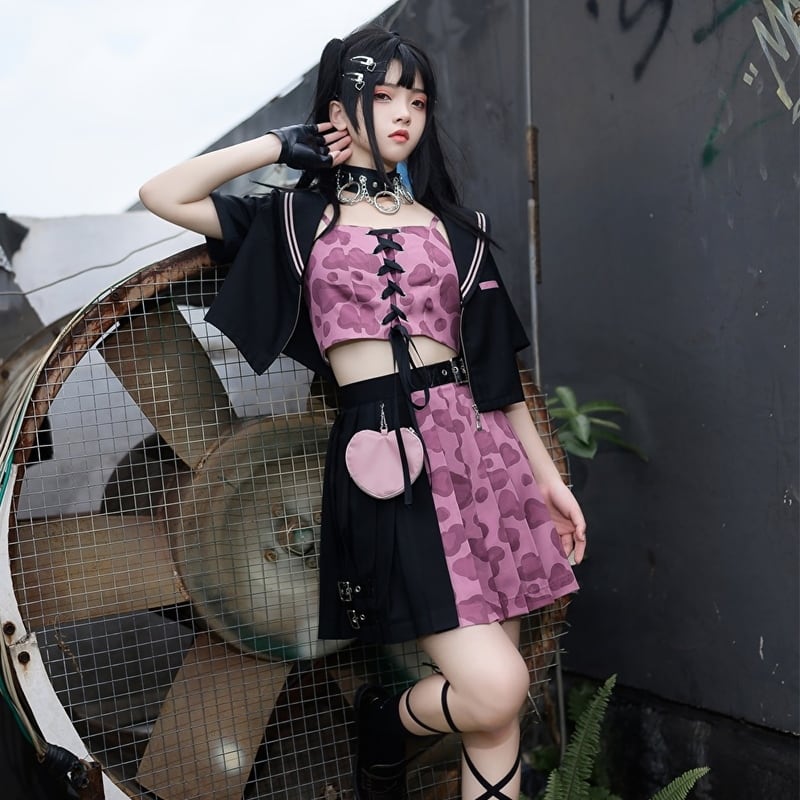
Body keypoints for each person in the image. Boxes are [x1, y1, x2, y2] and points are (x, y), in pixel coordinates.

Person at [139, 25, 586, 800]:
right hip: (384, 460)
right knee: (496, 689)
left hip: (483, 454)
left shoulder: (455, 228)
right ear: (341, 109)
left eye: (418, 98)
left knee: (494, 716)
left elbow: (496, 375)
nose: (405, 112)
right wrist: (280, 145)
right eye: (383, 96)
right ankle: (387, 718)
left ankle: (392, 721)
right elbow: (163, 194)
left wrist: (546, 479)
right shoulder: (296, 220)